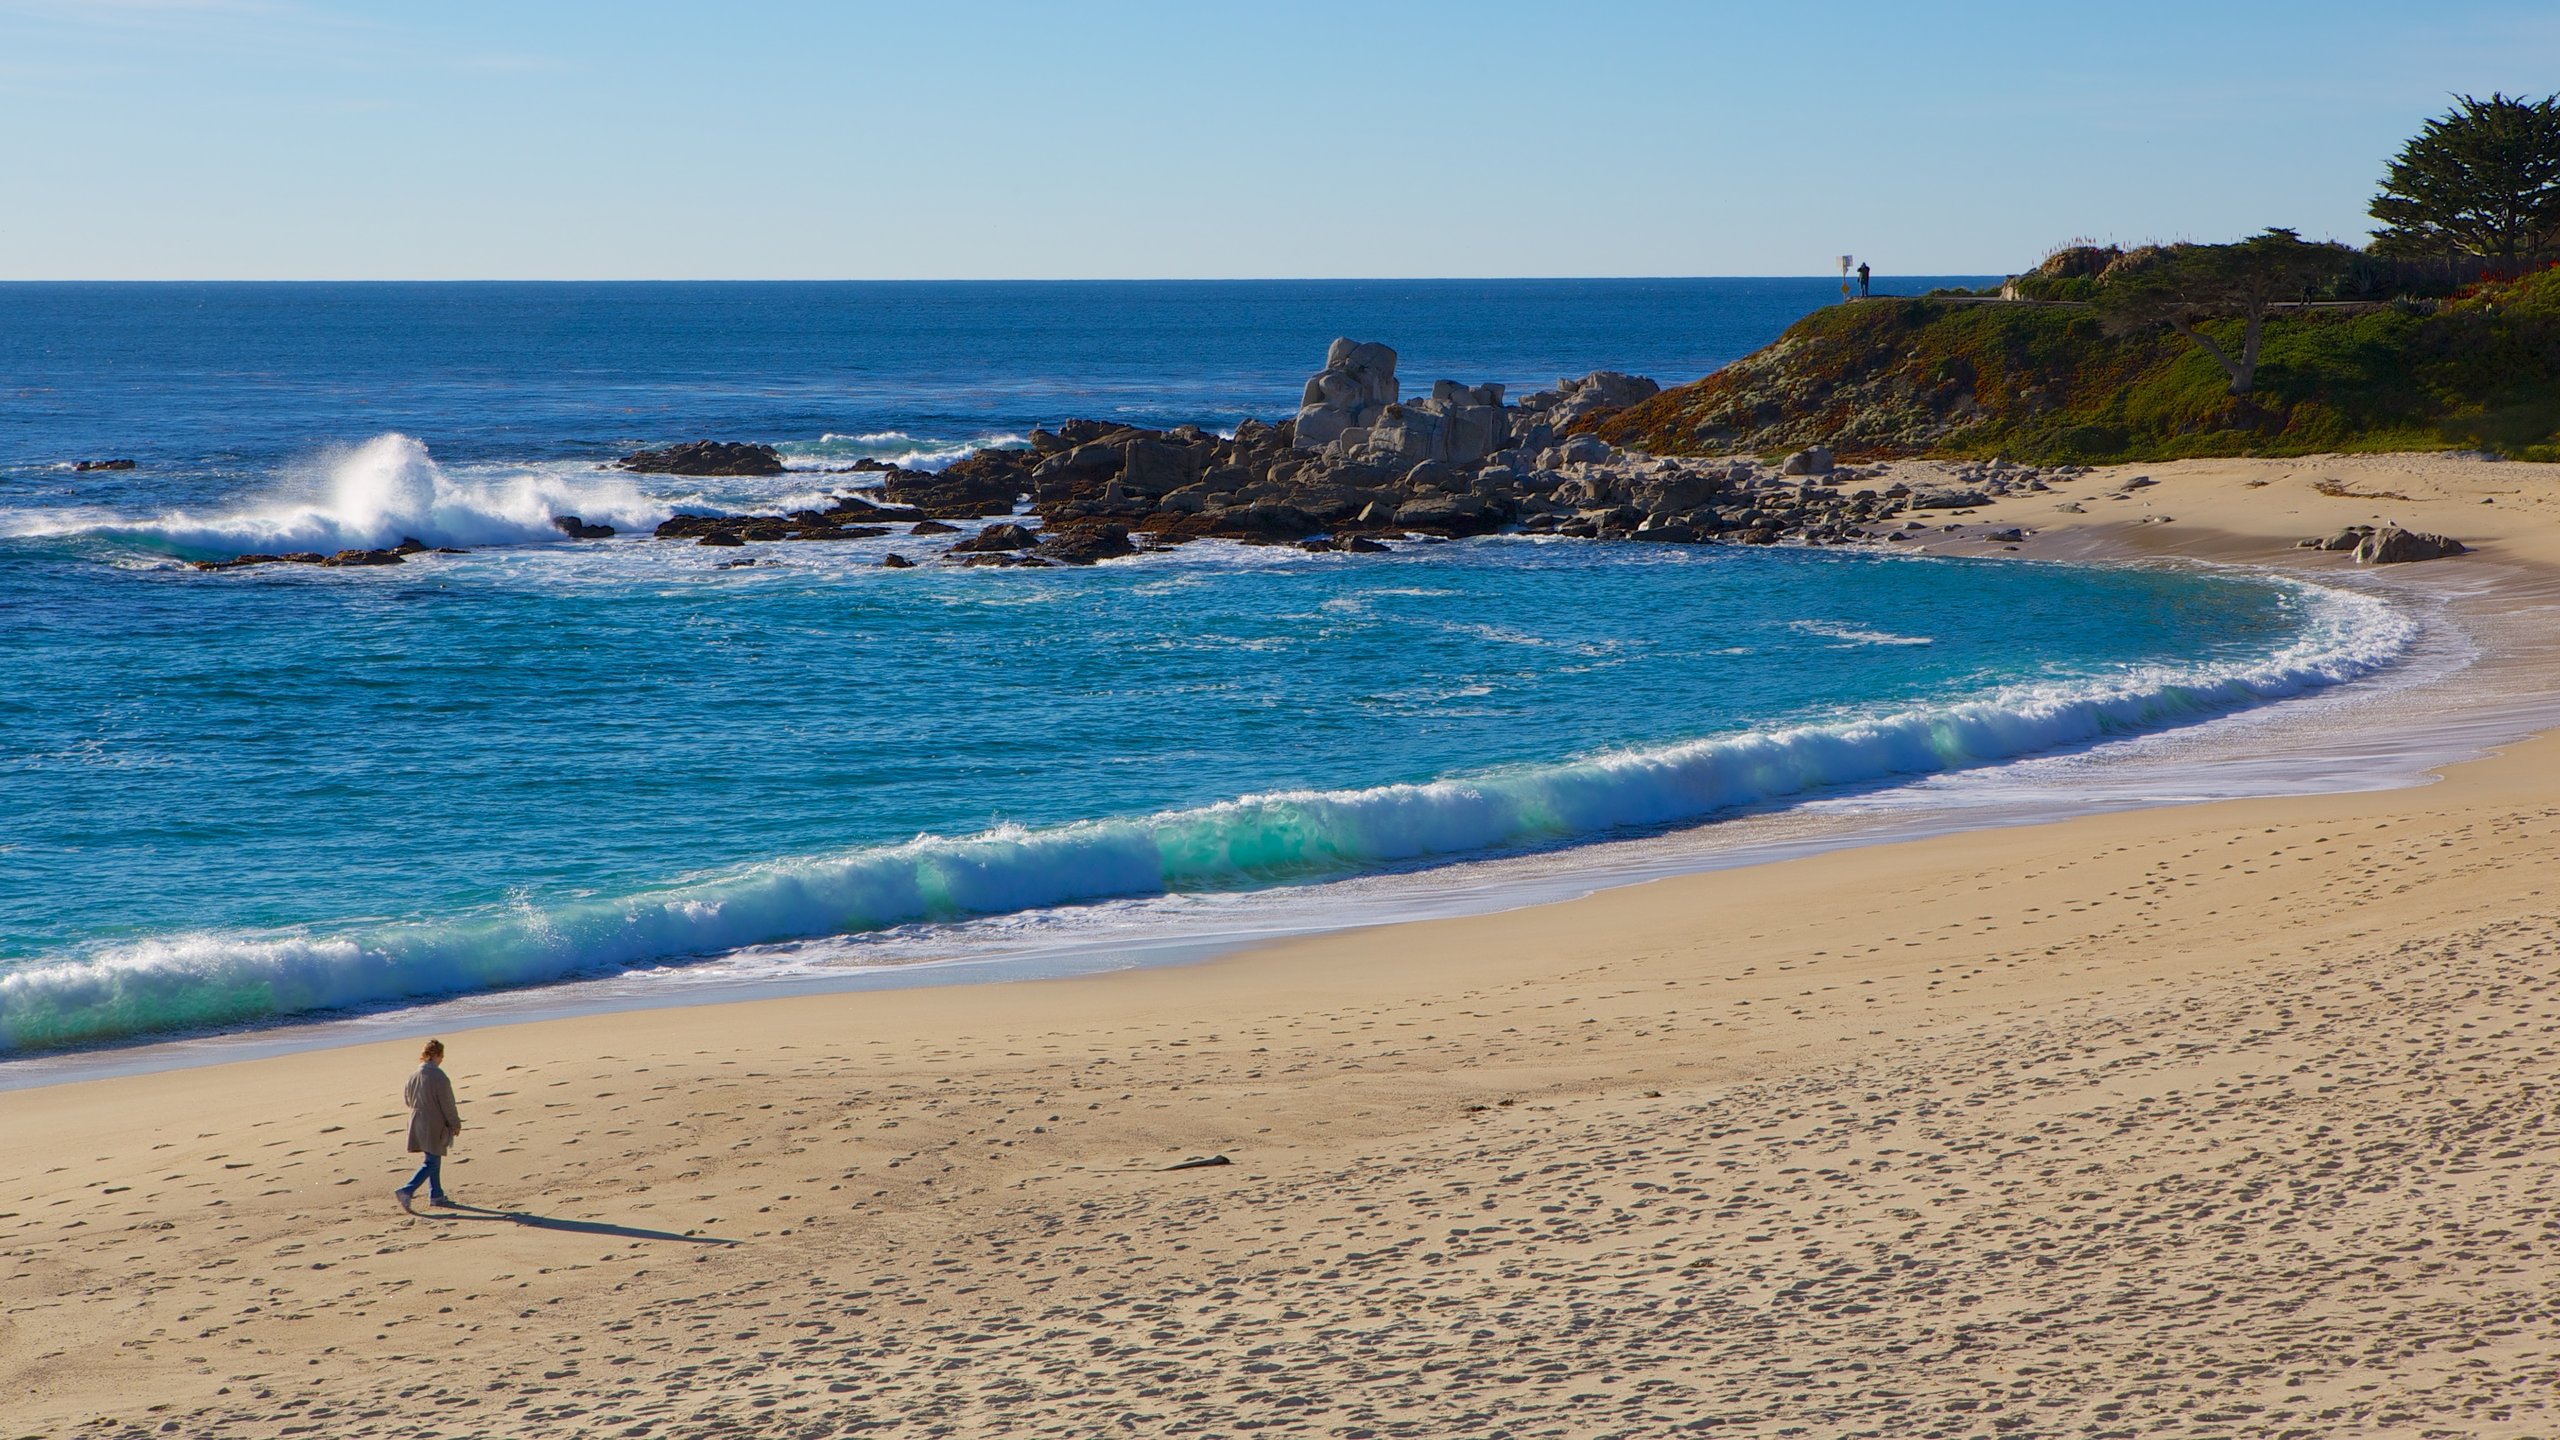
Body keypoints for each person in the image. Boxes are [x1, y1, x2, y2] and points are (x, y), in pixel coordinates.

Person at [397, 1038, 463, 1209]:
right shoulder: (438, 1076)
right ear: (435, 1055)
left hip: (415, 1120)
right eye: (441, 1055)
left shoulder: (413, 1075)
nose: (442, 1059)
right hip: (433, 1121)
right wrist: (455, 1123)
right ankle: (407, 1190)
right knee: (432, 1161)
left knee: (433, 1157)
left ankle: (436, 1194)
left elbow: (407, 1100)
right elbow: (447, 1103)